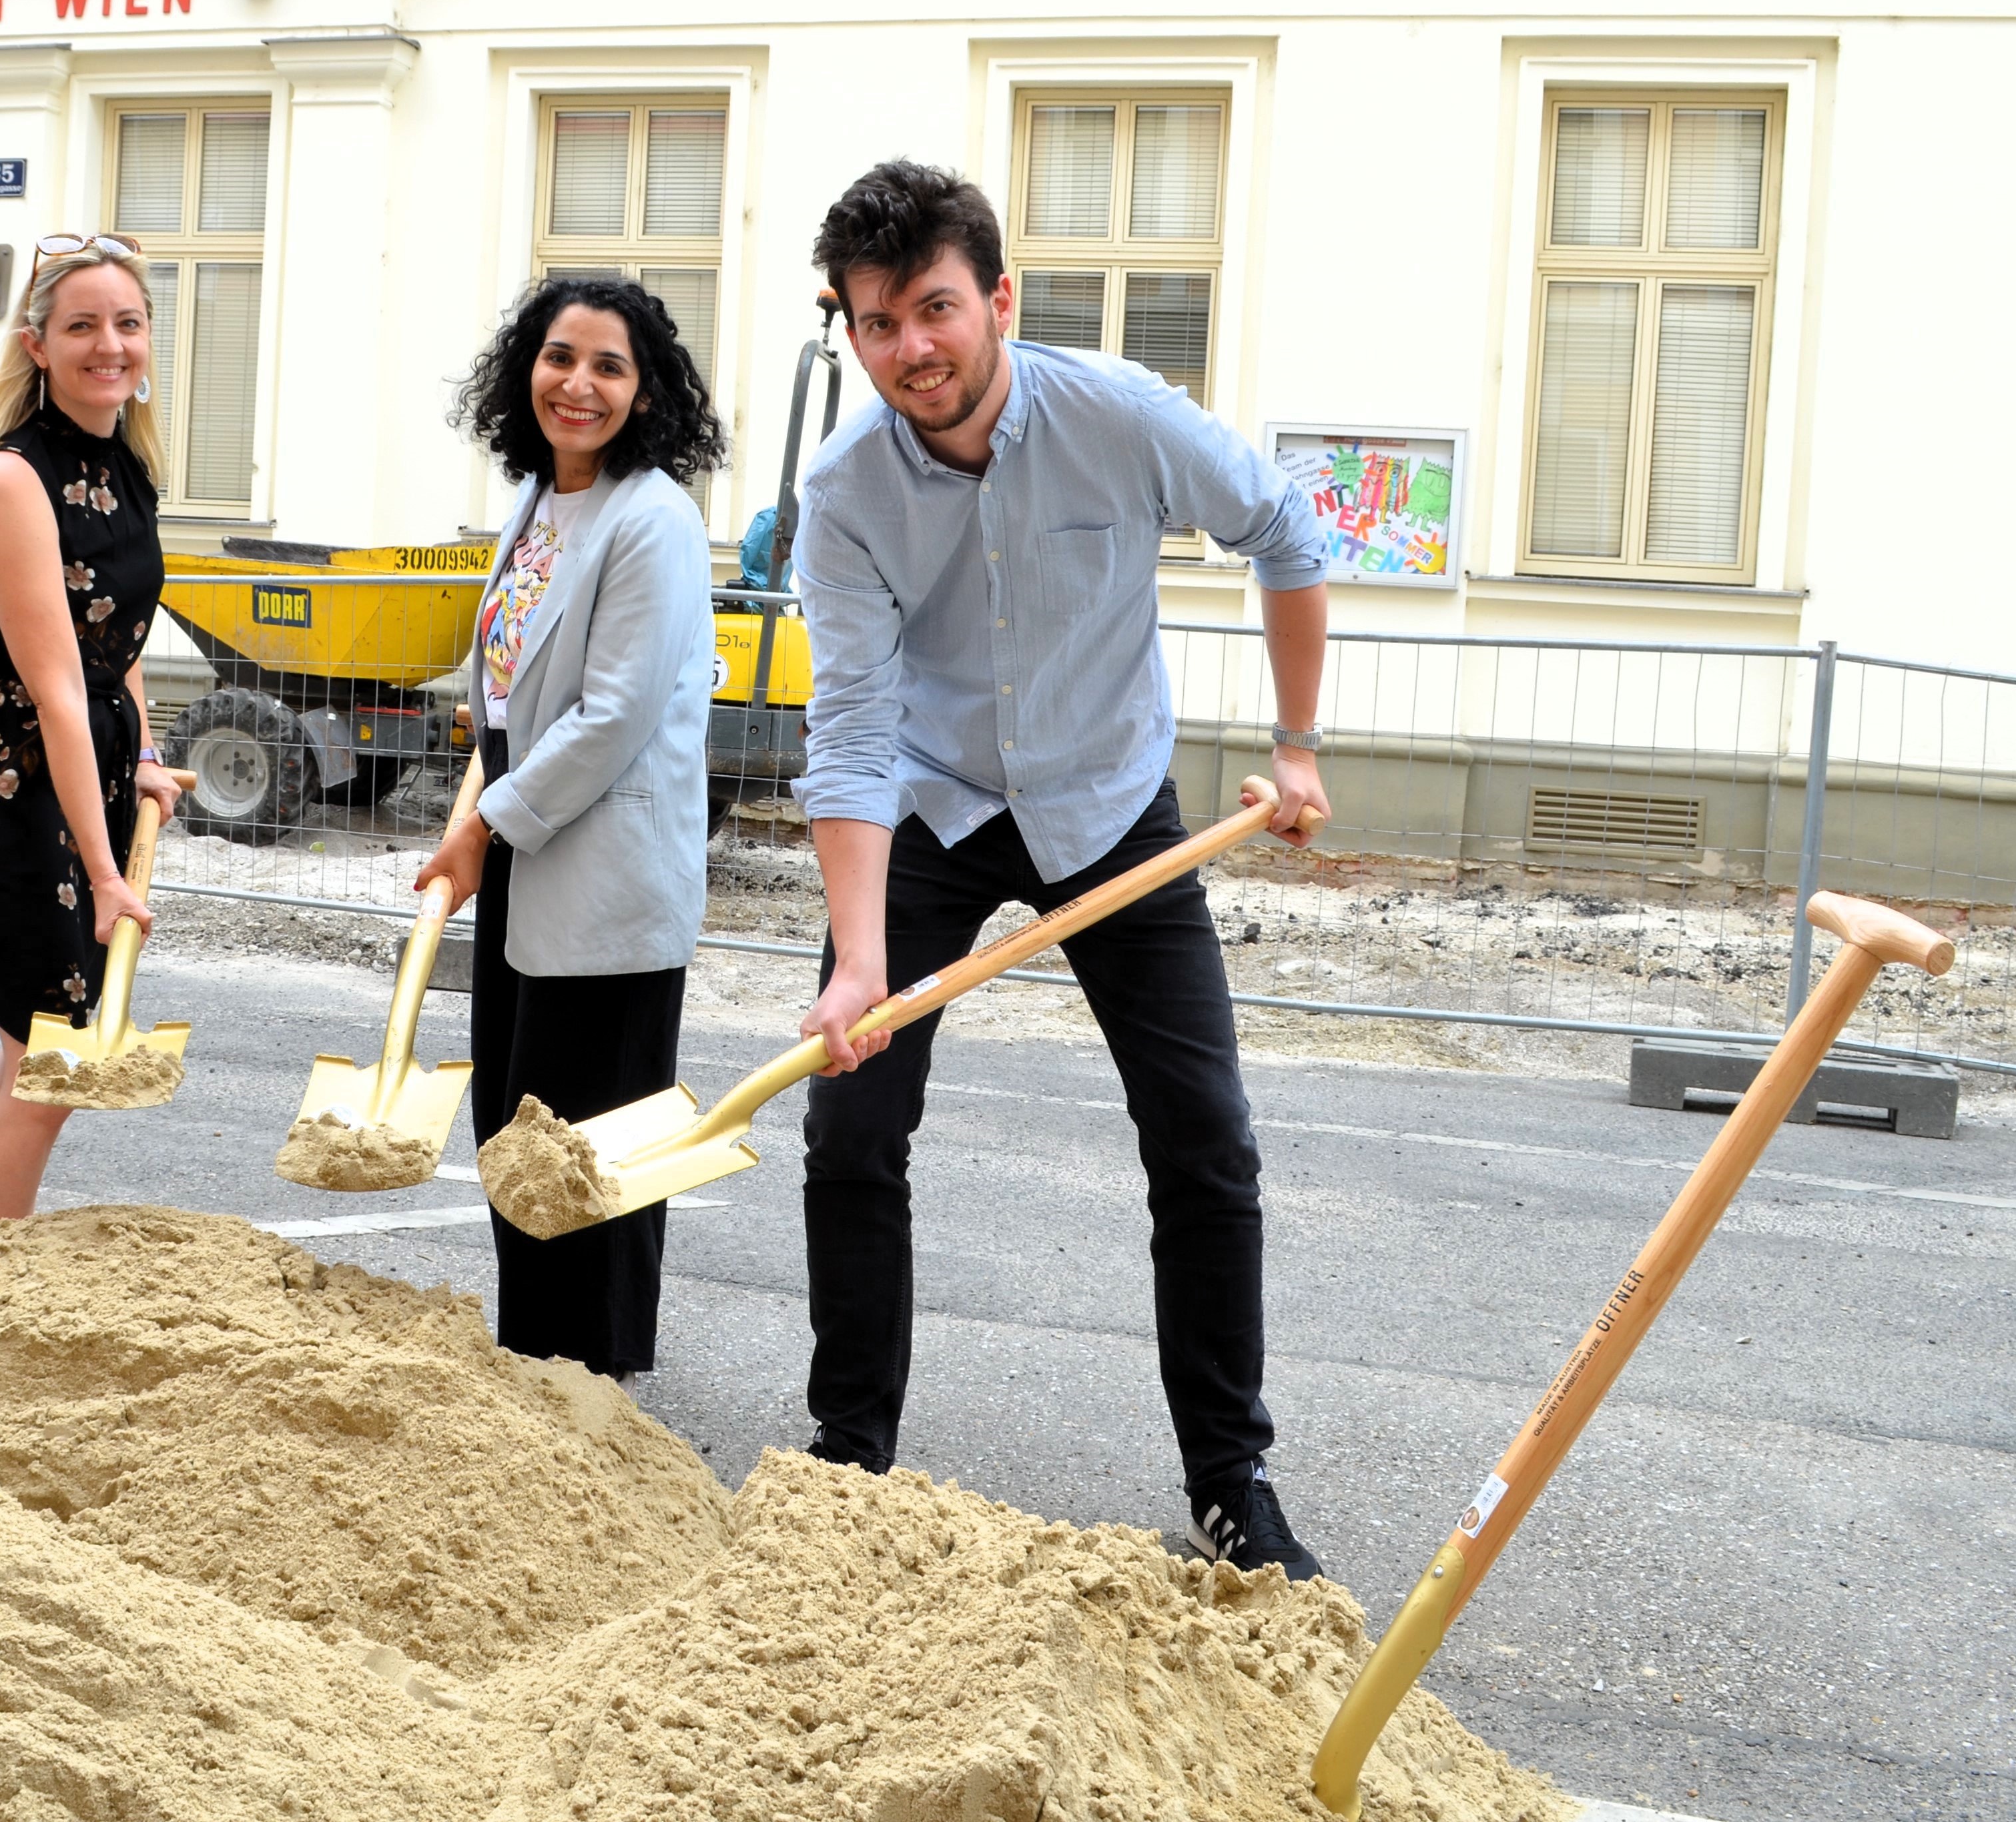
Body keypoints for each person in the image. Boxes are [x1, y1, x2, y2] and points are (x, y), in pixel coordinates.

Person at [787, 159, 1337, 1580]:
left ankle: (1233, 1480)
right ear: (849, 334)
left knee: (1203, 1140)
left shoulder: (1119, 415)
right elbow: (847, 730)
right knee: (850, 1124)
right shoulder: (841, 495)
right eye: (876, 322)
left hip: (1110, 804)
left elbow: (1283, 529)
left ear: (997, 300)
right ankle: (848, 1466)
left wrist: (1295, 742)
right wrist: (857, 962)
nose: (912, 347)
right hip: (937, 806)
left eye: (935, 308)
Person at [417, 274, 728, 1378]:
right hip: (526, 860)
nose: (578, 384)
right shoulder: (542, 500)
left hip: (601, 876)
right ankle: (535, 1367)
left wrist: (483, 827)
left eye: (608, 366)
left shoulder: (653, 520)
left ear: (646, 393)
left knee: (592, 1148)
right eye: (560, 358)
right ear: (526, 371)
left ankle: (593, 1387)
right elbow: (516, 668)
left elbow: (613, 715)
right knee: (517, 1133)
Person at [0, 233, 184, 1229]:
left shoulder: (126, 467)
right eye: (82, 325)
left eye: (126, 323)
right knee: (57, 1045)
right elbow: (59, 687)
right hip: (0, 777)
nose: (108, 344)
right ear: (37, 345)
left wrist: (146, 757)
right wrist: (107, 873)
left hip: (85, 763)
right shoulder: (7, 480)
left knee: (34, 1044)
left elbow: (118, 642)